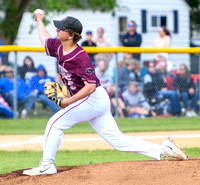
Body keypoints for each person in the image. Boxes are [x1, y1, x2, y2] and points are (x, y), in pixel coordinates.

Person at [23, 10, 187, 176]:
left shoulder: (81, 57)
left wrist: (68, 101)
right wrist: (39, 20)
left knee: (54, 123)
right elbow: (44, 40)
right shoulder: (58, 46)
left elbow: (90, 86)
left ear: (71, 35)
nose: (57, 30)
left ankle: (46, 165)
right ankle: (162, 149)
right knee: (118, 141)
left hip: (92, 98)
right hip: (91, 100)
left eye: (61, 28)